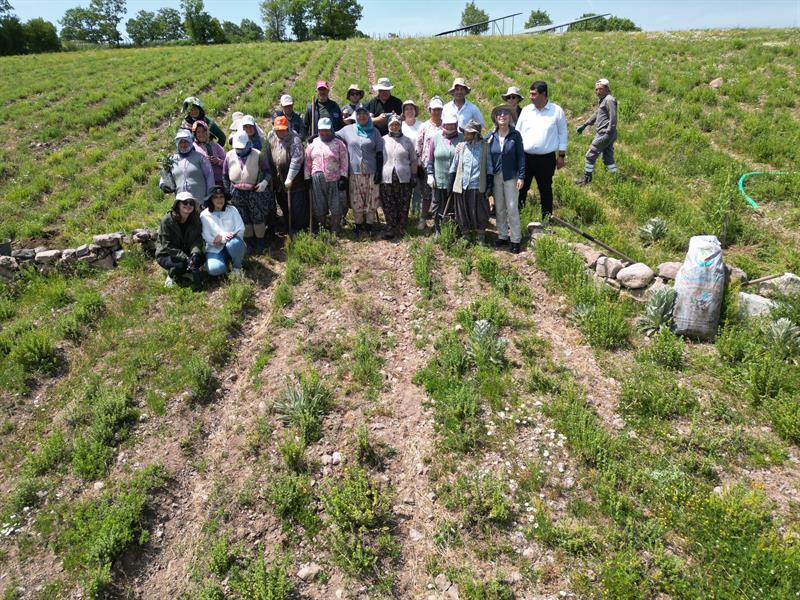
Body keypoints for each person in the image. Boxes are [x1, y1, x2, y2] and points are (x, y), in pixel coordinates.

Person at [515, 80, 567, 216]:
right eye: (530, 94)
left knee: (545, 189)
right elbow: (517, 133)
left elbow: (563, 133)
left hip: (546, 159)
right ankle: (518, 216)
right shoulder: (526, 111)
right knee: (521, 187)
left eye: (534, 94)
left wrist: (561, 156)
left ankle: (546, 217)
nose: (530, 97)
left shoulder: (556, 111)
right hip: (525, 157)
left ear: (543, 94)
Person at [223, 131, 274, 253]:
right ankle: (249, 242)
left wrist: (264, 183)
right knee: (243, 217)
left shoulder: (258, 154)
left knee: (258, 217)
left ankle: (260, 241)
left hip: (255, 192)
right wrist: (227, 193)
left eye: (242, 147)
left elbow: (267, 172)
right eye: (237, 148)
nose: (239, 150)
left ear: (248, 143)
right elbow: (225, 175)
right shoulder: (229, 155)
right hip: (236, 192)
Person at [338, 106, 384, 235]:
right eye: (359, 114)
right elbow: (333, 135)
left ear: (368, 116)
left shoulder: (375, 132)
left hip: (371, 171)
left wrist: (379, 171)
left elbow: (379, 152)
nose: (362, 116)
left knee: (371, 199)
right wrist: (317, 136)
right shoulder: (347, 130)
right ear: (355, 116)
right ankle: (358, 225)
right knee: (356, 199)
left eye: (364, 114)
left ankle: (369, 225)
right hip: (354, 172)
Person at [486, 105, 525, 253]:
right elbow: (478, 143)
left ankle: (515, 239)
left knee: (512, 207)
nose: (502, 116)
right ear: (496, 119)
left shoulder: (515, 135)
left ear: (510, 118)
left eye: (505, 114)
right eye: (499, 114)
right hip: (496, 176)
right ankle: (502, 235)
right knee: (499, 207)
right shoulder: (491, 135)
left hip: (511, 176)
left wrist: (521, 176)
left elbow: (521, 157)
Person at [304, 117, 349, 235]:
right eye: (322, 130)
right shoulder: (312, 144)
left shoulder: (339, 143)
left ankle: (335, 228)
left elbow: (344, 161)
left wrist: (343, 177)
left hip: (335, 178)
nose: (324, 132)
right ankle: (322, 229)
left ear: (331, 129)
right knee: (319, 204)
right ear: (318, 130)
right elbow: (307, 162)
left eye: (327, 130)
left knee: (336, 204)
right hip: (317, 179)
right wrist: (307, 177)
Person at [448, 119, 491, 242]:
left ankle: (480, 236)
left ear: (475, 134)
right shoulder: (461, 147)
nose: (465, 136)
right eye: (465, 133)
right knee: (461, 211)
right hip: (461, 186)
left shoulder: (485, 147)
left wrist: (489, 185)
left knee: (480, 212)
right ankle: (465, 235)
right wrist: (450, 184)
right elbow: (454, 166)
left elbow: (489, 167)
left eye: (468, 134)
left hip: (478, 185)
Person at [267, 115, 309, 234]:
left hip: (295, 181)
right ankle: (288, 226)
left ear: (287, 128)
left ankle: (299, 231)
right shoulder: (272, 137)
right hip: (280, 180)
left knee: (297, 208)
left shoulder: (295, 140)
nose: (281, 132)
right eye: (278, 130)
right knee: (284, 205)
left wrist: (290, 178)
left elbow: (297, 160)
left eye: (283, 129)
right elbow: (268, 154)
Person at [380, 115, 418, 239]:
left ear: (400, 126)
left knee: (404, 202)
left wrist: (414, 175)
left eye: (397, 124)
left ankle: (402, 227)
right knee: (388, 203)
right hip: (387, 177)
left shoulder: (407, 141)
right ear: (388, 126)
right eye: (392, 124)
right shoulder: (383, 140)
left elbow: (413, 160)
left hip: (404, 177)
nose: (394, 127)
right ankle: (390, 227)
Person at [575, 78, 618, 185]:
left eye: (600, 89)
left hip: (605, 133)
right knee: (608, 158)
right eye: (596, 89)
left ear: (607, 88)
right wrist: (585, 125)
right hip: (607, 133)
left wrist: (608, 132)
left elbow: (613, 117)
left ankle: (587, 178)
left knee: (590, 155)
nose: (598, 91)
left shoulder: (609, 100)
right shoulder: (603, 100)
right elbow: (596, 114)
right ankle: (616, 178)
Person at [156, 192, 203, 287]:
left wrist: (194, 253)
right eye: (185, 202)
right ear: (178, 204)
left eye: (191, 203)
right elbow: (166, 245)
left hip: (185, 250)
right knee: (181, 265)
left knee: (200, 259)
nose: (188, 205)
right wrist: (185, 258)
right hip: (166, 253)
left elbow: (196, 239)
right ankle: (171, 275)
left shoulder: (195, 219)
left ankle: (185, 272)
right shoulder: (167, 220)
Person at [426, 110, 463, 233]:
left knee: (454, 206)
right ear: (444, 124)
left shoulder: (462, 138)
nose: (450, 127)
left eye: (453, 124)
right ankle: (438, 229)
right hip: (439, 180)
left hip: (456, 180)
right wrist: (430, 174)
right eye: (448, 124)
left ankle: (454, 231)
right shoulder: (435, 138)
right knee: (437, 206)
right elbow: (430, 159)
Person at [159, 129, 215, 208]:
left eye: (186, 141)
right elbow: (164, 175)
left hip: (200, 202)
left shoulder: (201, 158)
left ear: (190, 142)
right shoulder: (171, 160)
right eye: (180, 142)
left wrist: (209, 196)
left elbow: (209, 177)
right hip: (182, 204)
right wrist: (163, 184)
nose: (183, 144)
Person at [200, 186, 246, 276]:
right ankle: (225, 261)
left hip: (234, 244)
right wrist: (219, 239)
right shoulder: (204, 215)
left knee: (234, 243)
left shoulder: (232, 210)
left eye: (221, 196)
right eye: (215, 197)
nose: (219, 199)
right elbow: (206, 236)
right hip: (215, 248)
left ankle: (237, 267)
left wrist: (222, 237)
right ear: (210, 199)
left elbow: (241, 228)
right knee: (215, 269)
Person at [415, 96, 444, 230]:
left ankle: (439, 219)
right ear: (430, 110)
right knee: (426, 194)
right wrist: (419, 164)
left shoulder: (446, 125)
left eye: (439, 109)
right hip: (427, 165)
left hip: (442, 166)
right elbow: (418, 146)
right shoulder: (424, 126)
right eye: (434, 109)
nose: (436, 112)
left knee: (440, 194)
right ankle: (423, 219)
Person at [400, 99, 423, 217]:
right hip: (404, 162)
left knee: (418, 186)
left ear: (415, 111)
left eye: (411, 109)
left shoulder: (421, 125)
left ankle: (416, 210)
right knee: (405, 188)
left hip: (418, 162)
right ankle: (406, 210)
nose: (409, 111)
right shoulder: (400, 126)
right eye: (406, 109)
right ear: (403, 112)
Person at [193, 120, 226, 187]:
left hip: (220, 182)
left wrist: (218, 161)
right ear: (195, 134)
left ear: (207, 132)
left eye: (203, 131)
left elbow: (227, 163)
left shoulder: (215, 146)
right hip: (203, 184)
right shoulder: (193, 148)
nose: (201, 134)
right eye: (198, 132)